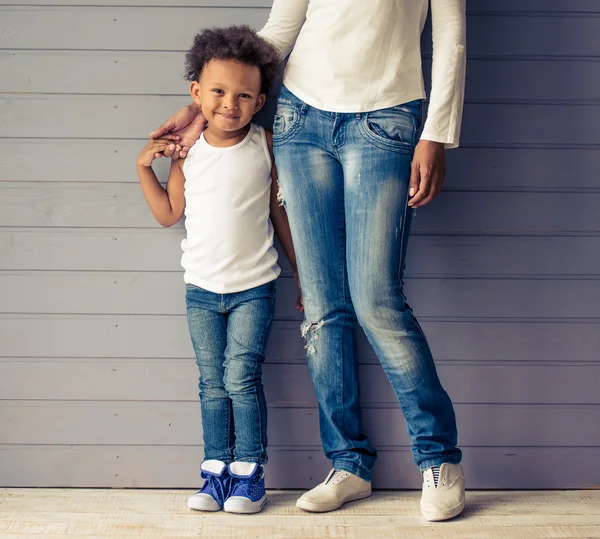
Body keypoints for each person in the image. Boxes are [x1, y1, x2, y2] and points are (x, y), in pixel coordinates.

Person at [151, 0, 467, 522]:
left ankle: (439, 460)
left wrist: (437, 133)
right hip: (300, 120)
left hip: (386, 118)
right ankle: (349, 464)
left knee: (377, 302)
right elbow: (279, 31)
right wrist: (200, 110)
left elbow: (451, 40)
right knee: (321, 309)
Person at [137, 25, 301, 515]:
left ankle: (249, 475)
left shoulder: (265, 145)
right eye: (218, 92)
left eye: (243, 95)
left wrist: (306, 280)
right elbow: (169, 213)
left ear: (259, 101)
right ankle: (215, 474)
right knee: (211, 381)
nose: (230, 103)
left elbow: (281, 216)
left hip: (254, 287)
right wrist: (145, 167)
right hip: (202, 291)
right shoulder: (187, 153)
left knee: (241, 378)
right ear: (197, 94)